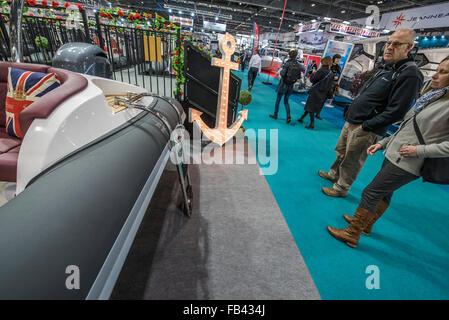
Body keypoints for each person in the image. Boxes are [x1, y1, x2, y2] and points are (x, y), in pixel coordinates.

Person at [327, 56, 449, 248]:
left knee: (371, 192)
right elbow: (408, 127)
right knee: (384, 193)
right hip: (396, 153)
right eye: (438, 70)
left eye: (444, 72)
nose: (435, 75)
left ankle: (353, 233)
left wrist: (419, 150)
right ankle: (365, 225)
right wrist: (384, 143)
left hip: (409, 160)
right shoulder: (433, 96)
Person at [318, 28, 423, 198]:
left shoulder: (410, 74)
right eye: (389, 43)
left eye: (396, 44)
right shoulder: (388, 68)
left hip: (366, 127)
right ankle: (333, 174)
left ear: (409, 47)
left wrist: (366, 125)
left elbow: (397, 111)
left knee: (352, 159)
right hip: (353, 120)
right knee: (342, 151)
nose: (389, 47)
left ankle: (341, 187)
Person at [297, 56, 334, 129]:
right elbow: (330, 85)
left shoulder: (321, 71)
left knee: (311, 108)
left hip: (316, 91)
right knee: (310, 106)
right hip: (323, 93)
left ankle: (312, 124)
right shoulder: (331, 73)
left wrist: (313, 73)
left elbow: (312, 80)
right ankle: (302, 118)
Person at [269, 50, 305, 124]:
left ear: (289, 55)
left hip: (283, 84)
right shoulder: (298, 64)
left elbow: (282, 73)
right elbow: (298, 76)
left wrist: (282, 69)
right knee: (286, 102)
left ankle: (275, 115)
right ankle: (288, 116)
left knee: (278, 100)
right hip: (290, 85)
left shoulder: (287, 63)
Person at [316, 54, 342, 120]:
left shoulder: (338, 67)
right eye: (337, 59)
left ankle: (318, 113)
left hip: (330, 86)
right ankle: (312, 111)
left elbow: (337, 76)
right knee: (318, 99)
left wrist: (336, 78)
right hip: (323, 84)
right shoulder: (329, 65)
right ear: (334, 58)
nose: (338, 60)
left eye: (339, 59)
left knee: (323, 100)